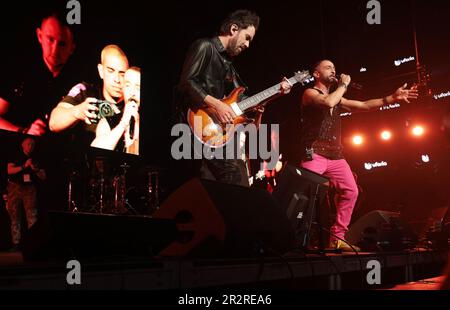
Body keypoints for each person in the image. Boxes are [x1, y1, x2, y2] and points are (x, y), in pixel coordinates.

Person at [300, 59, 418, 251]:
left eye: (335, 68)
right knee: (307, 195)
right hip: (314, 153)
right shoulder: (310, 93)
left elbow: (363, 105)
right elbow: (328, 101)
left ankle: (337, 237)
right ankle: (299, 239)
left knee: (351, 191)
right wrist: (344, 85)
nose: (333, 70)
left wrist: (391, 98)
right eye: (328, 67)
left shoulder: (338, 98)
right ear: (316, 74)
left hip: (336, 156)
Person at [176, 9, 291, 186]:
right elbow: (186, 83)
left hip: (216, 129)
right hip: (197, 122)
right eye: (247, 38)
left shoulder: (228, 64)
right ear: (233, 29)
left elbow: (244, 98)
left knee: (226, 179)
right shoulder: (205, 47)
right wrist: (217, 105)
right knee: (234, 176)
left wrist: (277, 92)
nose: (247, 45)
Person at [0, 10, 77, 136]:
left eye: (62, 44)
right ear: (39, 36)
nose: (55, 50)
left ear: (72, 47)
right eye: (50, 39)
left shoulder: (79, 79)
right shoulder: (18, 69)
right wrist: (22, 131)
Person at [49, 44, 130, 148]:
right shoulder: (85, 91)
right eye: (111, 71)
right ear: (101, 71)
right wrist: (77, 111)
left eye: (122, 74)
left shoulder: (134, 99)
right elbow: (53, 123)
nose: (117, 80)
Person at [6, 137, 46, 249]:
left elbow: (44, 176)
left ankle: (32, 242)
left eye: (32, 144)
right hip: (15, 187)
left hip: (29, 189)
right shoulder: (15, 155)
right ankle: (16, 242)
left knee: (32, 216)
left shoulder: (36, 159)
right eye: (28, 144)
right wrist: (24, 166)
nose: (30, 146)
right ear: (23, 145)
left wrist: (36, 170)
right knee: (14, 216)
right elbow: (9, 170)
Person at [91, 66, 140, 154]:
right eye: (128, 85)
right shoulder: (108, 122)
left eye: (138, 87)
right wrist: (123, 124)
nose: (132, 92)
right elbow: (96, 151)